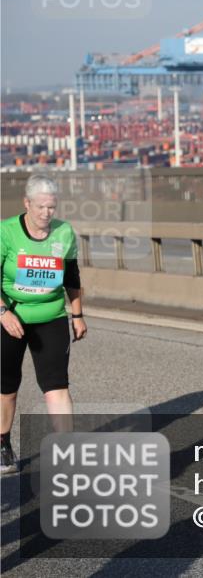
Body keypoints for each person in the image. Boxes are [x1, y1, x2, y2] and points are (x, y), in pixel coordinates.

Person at [1, 175, 87, 473]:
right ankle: (2, 443)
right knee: (7, 387)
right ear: (26, 204)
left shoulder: (64, 233)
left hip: (51, 316)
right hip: (10, 316)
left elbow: (72, 277)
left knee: (56, 385)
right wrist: (3, 313)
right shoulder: (6, 232)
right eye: (40, 207)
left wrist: (77, 315)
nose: (46, 213)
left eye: (51, 207)